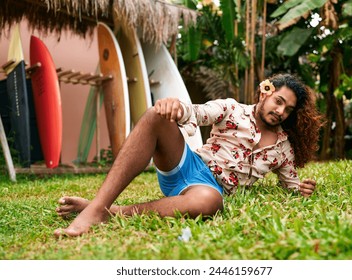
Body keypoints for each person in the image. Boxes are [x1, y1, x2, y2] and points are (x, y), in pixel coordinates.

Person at [54, 73, 323, 237]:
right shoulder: (231, 109)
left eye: (288, 109)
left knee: (210, 202)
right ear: (265, 92)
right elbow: (196, 112)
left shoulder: (282, 147)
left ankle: (107, 212)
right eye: (279, 101)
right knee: (156, 115)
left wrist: (302, 189)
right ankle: (97, 208)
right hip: (187, 166)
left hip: (206, 190)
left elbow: (291, 186)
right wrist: (175, 107)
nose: (280, 111)